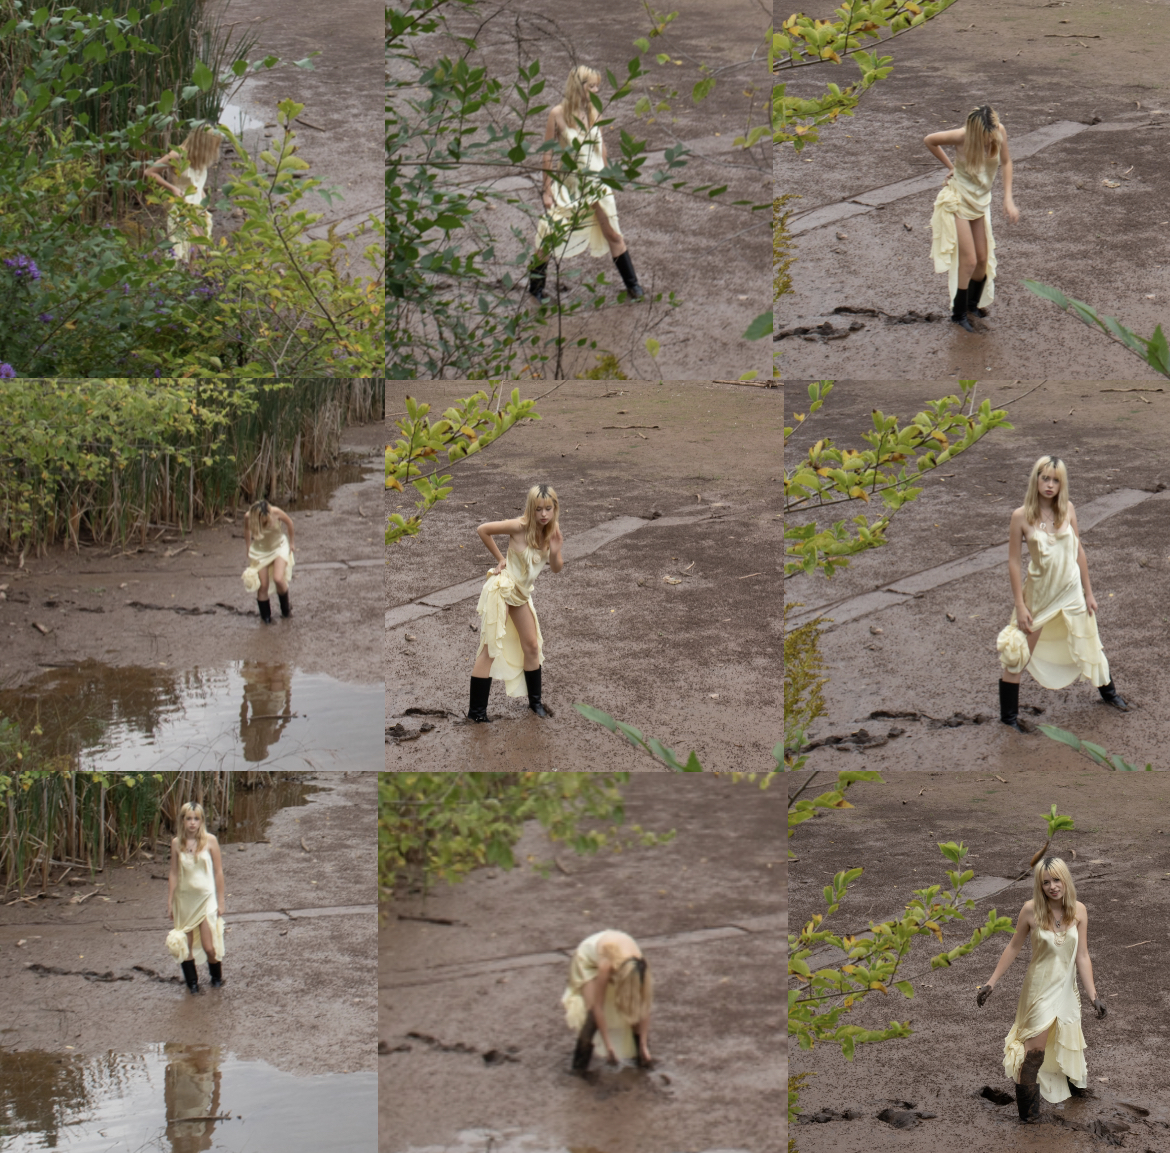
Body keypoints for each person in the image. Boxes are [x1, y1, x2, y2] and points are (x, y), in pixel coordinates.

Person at [996, 456, 1128, 729]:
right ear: (1036, 479)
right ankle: (1008, 718)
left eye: (1056, 480)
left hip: (1071, 590)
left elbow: (1079, 550)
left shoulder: (1067, 509)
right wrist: (1020, 606)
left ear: (1061, 484)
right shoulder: (1020, 516)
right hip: (1040, 594)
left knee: (1089, 639)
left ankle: (1110, 694)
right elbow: (1013, 562)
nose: (1050, 484)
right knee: (1018, 649)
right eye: (1045, 478)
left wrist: (1088, 593)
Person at [976, 855, 1105, 1123]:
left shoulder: (1079, 911)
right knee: (1033, 1053)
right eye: (1046, 882)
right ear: (1040, 885)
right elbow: (1013, 947)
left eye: (1057, 880)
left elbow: (1082, 955)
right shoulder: (1030, 910)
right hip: (1039, 991)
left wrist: (1094, 996)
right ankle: (1029, 1118)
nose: (1052, 886)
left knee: (1063, 1042)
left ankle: (1071, 1087)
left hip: (1067, 991)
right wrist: (991, 982)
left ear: (1065, 880)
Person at [528, 65, 645, 306]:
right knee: (551, 232)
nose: (596, 89)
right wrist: (547, 189)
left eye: (596, 85)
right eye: (591, 85)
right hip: (569, 184)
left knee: (612, 232)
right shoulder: (557, 114)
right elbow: (548, 154)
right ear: (577, 86)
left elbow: (601, 146)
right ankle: (535, 287)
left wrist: (609, 175)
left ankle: (633, 286)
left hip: (596, 183)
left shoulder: (594, 111)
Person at [467, 483, 564, 722]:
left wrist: (555, 550)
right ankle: (476, 713)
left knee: (531, 645)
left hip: (521, 594)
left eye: (548, 509)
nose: (543, 514)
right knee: (490, 649)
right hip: (503, 589)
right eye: (539, 509)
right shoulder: (519, 526)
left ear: (554, 509)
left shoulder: (553, 530)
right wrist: (500, 558)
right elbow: (483, 529)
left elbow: (556, 568)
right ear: (531, 508)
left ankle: (535, 703)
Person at [925, 105, 1019, 332]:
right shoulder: (961, 136)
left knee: (983, 260)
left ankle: (972, 306)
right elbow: (929, 140)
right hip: (958, 199)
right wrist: (951, 167)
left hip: (980, 200)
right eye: (984, 140)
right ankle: (958, 314)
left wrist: (1008, 198)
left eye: (991, 139)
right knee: (969, 261)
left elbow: (1006, 162)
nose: (988, 144)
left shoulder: (999, 130)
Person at [562, 929, 654, 1072]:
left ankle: (642, 1058)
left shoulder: (640, 965)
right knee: (592, 1013)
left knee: (634, 1005)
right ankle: (579, 1066)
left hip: (618, 959)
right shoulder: (606, 964)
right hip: (587, 960)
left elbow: (643, 1007)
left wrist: (644, 1045)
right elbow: (598, 1007)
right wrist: (609, 1046)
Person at [166, 802, 226, 994]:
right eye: (188, 818)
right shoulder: (177, 843)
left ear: (201, 821)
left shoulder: (210, 841)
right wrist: (170, 901)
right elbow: (174, 873)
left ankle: (216, 978)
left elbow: (218, 872)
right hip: (184, 900)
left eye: (196, 819)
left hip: (206, 900)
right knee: (186, 945)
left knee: (209, 947)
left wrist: (221, 900)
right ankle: (192, 984)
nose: (192, 823)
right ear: (182, 820)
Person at [144, 127, 224, 264]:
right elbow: (149, 172)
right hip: (181, 205)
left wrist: (203, 194)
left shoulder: (200, 156)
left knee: (200, 249)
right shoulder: (177, 155)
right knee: (190, 246)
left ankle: (194, 275)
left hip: (198, 204)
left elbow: (196, 179)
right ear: (202, 142)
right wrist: (172, 188)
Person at [241, 499, 296, 624]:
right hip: (260, 551)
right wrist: (248, 547)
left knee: (278, 578)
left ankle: (286, 610)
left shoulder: (275, 512)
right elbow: (246, 530)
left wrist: (292, 542)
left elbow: (289, 523)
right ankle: (266, 618)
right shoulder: (248, 516)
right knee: (263, 585)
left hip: (279, 547)